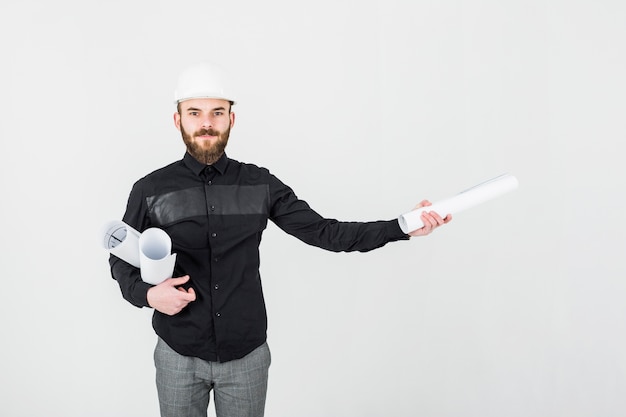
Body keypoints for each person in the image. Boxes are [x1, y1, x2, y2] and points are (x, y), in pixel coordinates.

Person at [108, 62, 452, 417]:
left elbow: (326, 232)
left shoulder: (260, 185)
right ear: (178, 120)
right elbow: (120, 257)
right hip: (177, 353)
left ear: (231, 119)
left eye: (217, 112)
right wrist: (149, 295)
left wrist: (402, 226)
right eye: (195, 113)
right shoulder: (149, 189)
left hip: (246, 357)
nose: (206, 123)